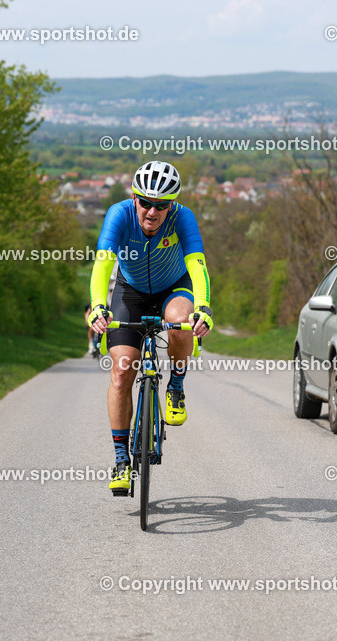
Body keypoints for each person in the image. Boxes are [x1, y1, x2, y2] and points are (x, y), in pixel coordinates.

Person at [87, 160, 213, 496]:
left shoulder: (182, 218)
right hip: (131, 293)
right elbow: (103, 265)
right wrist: (98, 304)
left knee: (181, 321)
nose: (152, 212)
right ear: (134, 198)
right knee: (121, 371)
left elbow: (197, 265)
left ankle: (176, 386)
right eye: (145, 202)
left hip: (175, 287)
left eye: (161, 205)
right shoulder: (119, 215)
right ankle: (121, 461)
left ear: (172, 204)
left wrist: (203, 307)